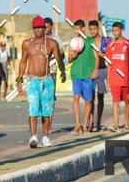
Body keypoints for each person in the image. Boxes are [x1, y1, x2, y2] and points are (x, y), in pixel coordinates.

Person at [17, 15, 66, 147]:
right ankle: (33, 137)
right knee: (33, 109)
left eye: (39, 28)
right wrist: (19, 80)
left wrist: (62, 71)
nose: (37, 30)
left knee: (47, 110)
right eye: (35, 28)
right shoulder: (27, 43)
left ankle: (45, 137)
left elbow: (59, 58)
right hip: (32, 80)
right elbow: (22, 62)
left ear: (44, 28)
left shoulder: (51, 43)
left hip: (47, 80)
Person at [107, 21, 129, 131]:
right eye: (113, 31)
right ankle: (116, 125)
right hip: (114, 79)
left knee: (127, 101)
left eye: (116, 30)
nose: (114, 33)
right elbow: (109, 64)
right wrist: (108, 80)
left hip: (126, 79)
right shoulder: (110, 45)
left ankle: (126, 124)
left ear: (121, 30)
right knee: (115, 102)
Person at [68, 18, 97, 134]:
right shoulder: (73, 42)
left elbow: (96, 57)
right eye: (74, 29)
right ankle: (77, 125)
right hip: (76, 74)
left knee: (88, 101)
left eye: (77, 29)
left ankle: (85, 126)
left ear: (83, 28)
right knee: (76, 98)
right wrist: (73, 55)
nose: (75, 31)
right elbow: (69, 59)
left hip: (88, 75)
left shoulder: (91, 41)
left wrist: (95, 71)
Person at [87, 19, 109, 131]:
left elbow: (109, 55)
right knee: (90, 98)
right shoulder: (87, 41)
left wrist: (99, 53)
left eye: (94, 29)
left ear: (98, 29)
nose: (92, 31)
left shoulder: (105, 40)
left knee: (101, 97)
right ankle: (90, 123)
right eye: (90, 29)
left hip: (102, 70)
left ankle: (98, 122)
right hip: (91, 72)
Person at [44, 17, 65, 129]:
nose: (44, 29)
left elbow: (62, 54)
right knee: (42, 98)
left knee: (50, 98)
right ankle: (44, 123)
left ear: (51, 26)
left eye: (46, 27)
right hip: (40, 72)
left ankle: (49, 125)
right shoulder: (39, 38)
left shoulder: (56, 39)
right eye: (43, 27)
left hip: (51, 71)